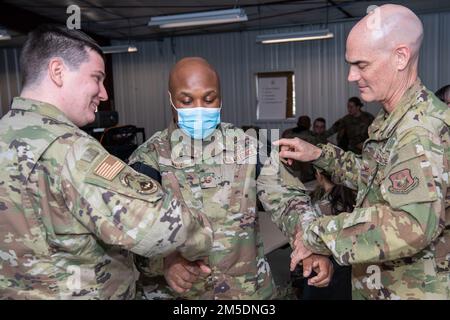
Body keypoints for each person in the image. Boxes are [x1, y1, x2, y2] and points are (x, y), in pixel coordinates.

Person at [0, 25, 212, 299]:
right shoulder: (68, 149)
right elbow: (160, 224)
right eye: (97, 78)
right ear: (57, 71)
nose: (104, 94)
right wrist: (202, 234)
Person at [277, 4, 450, 299]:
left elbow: (410, 226)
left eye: (362, 65)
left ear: (400, 56)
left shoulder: (419, 131)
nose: (351, 77)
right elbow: (375, 178)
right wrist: (319, 154)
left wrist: (315, 235)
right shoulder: (392, 118)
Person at [128, 57, 333, 300]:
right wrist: (164, 262)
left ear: (221, 99)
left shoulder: (248, 147)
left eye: (208, 98)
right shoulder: (149, 158)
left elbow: (288, 198)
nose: (199, 108)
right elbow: (129, 230)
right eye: (186, 100)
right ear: (171, 99)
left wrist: (308, 241)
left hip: (245, 293)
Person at [292, 170, 354, 300]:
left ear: (319, 176)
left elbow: (302, 236)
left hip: (320, 267)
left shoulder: (316, 208)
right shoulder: (352, 199)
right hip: (348, 269)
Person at [282, 116, 317, 182]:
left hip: (288, 167)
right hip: (305, 171)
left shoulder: (287, 133)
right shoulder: (312, 136)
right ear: (310, 125)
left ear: (298, 123)